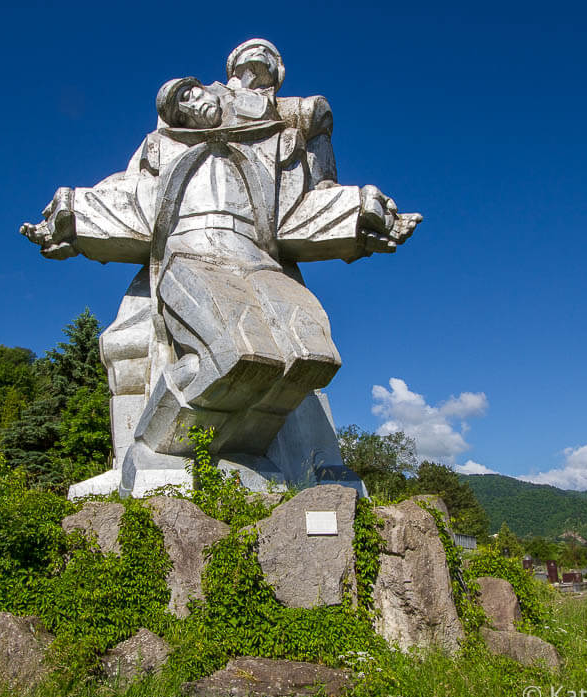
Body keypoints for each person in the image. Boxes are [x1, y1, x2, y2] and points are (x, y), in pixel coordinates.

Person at [21, 51, 420, 496]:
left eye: (195, 93)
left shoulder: (274, 144)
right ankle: (158, 447)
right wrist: (69, 212)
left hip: (259, 262)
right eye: (184, 102)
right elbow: (128, 201)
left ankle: (249, 454)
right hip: (188, 256)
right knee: (235, 351)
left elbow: (300, 211)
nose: (198, 103)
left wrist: (363, 211)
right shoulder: (160, 147)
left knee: (311, 355)